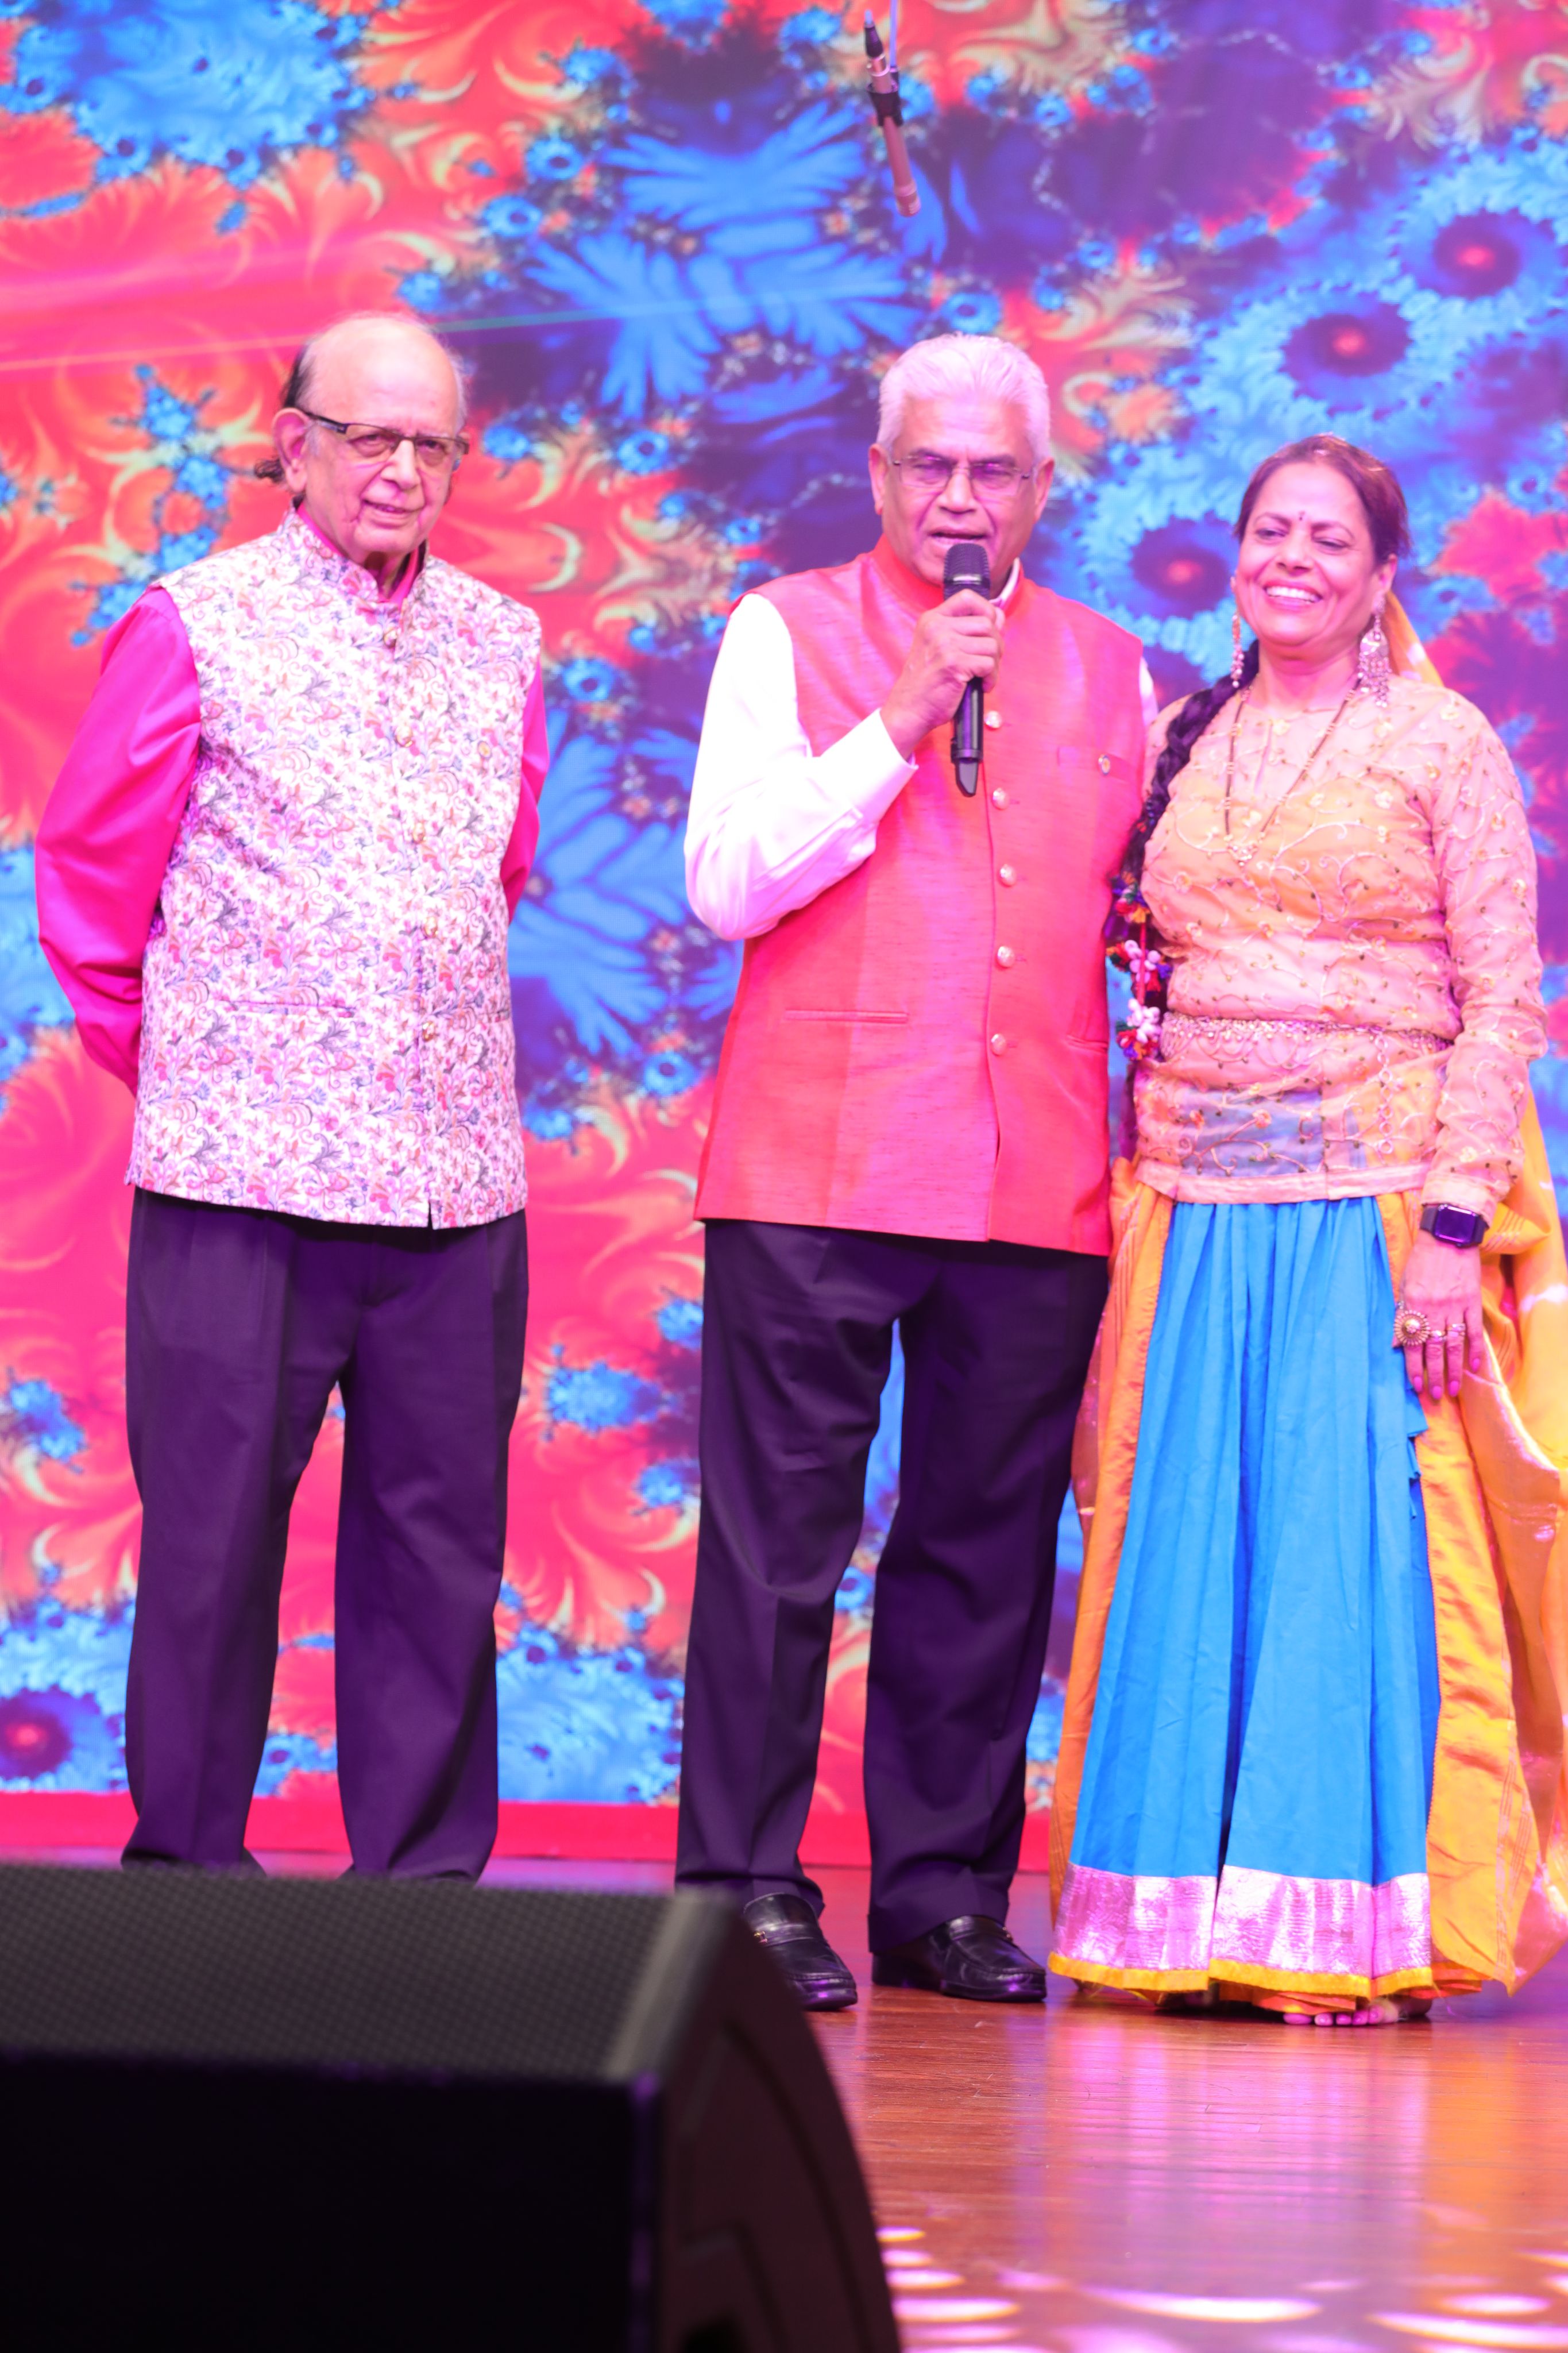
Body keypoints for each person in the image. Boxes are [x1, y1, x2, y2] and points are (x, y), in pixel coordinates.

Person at [1049, 434, 1568, 2022]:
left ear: (1382, 574)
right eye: (1269, 530)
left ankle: (1334, 1934)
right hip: (1197, 1212)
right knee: (1190, 1553)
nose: (1292, 559)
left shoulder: (1439, 741)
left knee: (1346, 1560)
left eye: (1329, 540)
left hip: (1370, 1206)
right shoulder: (1187, 736)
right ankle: (1170, 1921)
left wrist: (1451, 1226)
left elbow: (1503, 998)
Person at [35, 312, 549, 1880]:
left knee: (439, 1557)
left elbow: (499, 874)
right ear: (295, 443)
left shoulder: (503, 642)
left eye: (433, 444)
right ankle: (191, 1884)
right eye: (370, 436)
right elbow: (92, 894)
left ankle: (420, 1902)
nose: (401, 469)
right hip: (238, 1185)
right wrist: (212, 1072)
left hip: (455, 1188)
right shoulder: (196, 622)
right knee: (212, 1549)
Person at [678, 333, 1155, 2007]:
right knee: (775, 1546)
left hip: (1036, 1171)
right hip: (816, 1161)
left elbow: (1132, 916)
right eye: (930, 467)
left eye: (993, 470)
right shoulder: (783, 628)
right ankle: (745, 1886)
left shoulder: (1114, 666)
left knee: (986, 1546)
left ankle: (942, 1895)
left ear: (1042, 486)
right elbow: (726, 882)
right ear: (879, 476)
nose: (961, 498)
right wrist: (895, 721)